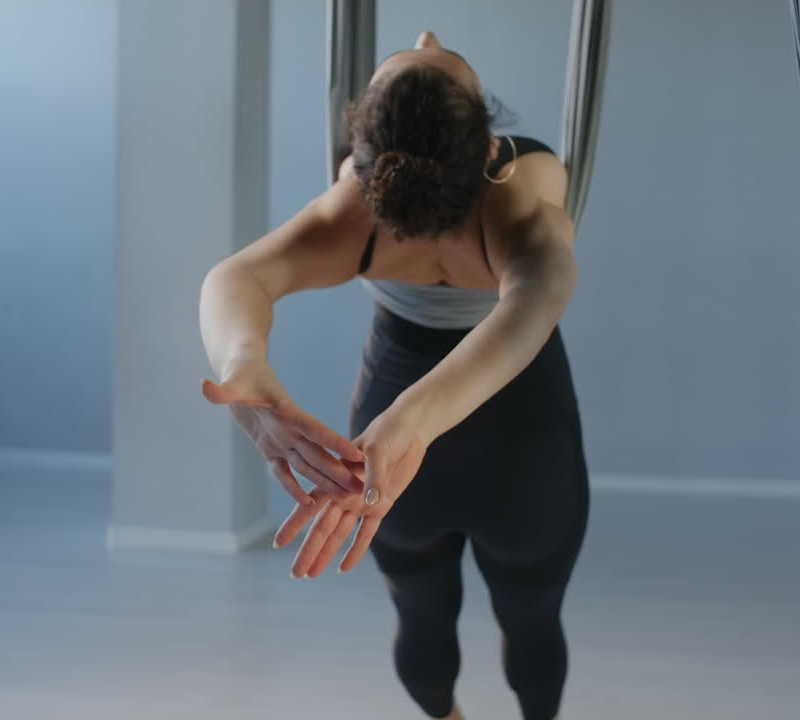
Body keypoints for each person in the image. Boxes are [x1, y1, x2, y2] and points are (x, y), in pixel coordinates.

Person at [198, 31, 589, 720]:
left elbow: (238, 278)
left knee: (422, 620)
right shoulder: (522, 194)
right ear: (492, 148)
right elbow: (536, 303)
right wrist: (245, 368)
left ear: (362, 159)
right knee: (530, 625)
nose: (427, 34)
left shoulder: (353, 211)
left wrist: (243, 362)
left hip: (387, 443)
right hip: (517, 446)